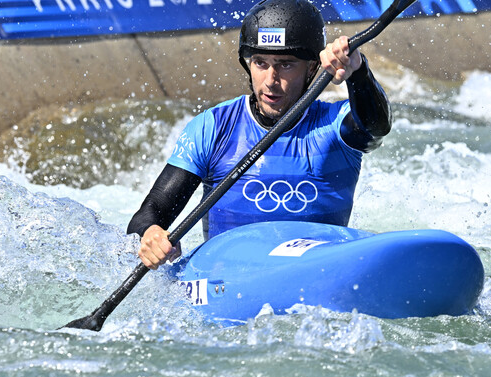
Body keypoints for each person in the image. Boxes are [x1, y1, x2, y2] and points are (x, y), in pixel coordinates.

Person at [127, 0, 392, 270]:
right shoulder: (213, 128)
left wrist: (358, 71)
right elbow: (147, 216)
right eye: (260, 63)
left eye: (286, 65)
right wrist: (151, 235)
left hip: (318, 273)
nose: (270, 80)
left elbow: (375, 128)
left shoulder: (334, 125)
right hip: (227, 280)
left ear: (312, 69)